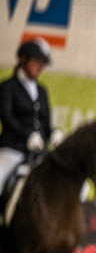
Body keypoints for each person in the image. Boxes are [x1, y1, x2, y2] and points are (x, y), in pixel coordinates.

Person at [0, 38, 63, 188]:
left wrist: (53, 132)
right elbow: (6, 117)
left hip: (38, 152)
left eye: (42, 64)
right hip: (13, 149)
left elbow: (45, 120)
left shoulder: (42, 91)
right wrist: (27, 135)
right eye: (36, 62)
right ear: (23, 60)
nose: (40, 67)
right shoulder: (8, 87)